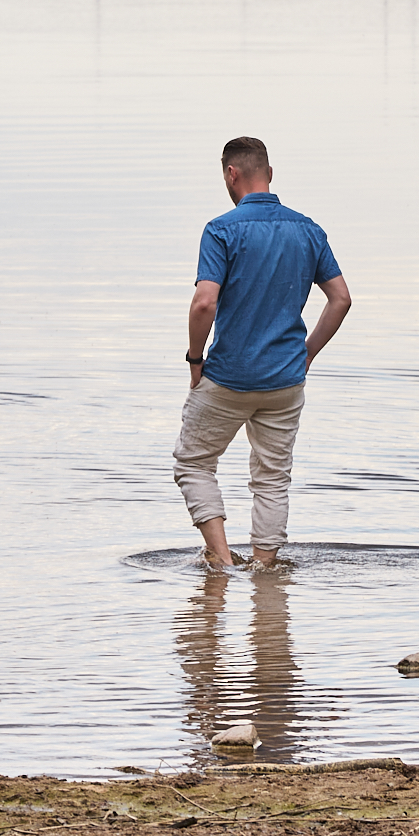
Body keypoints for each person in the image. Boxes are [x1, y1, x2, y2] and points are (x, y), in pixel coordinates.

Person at [174, 137, 352, 573]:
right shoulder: (309, 230)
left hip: (229, 377)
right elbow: (341, 299)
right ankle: (265, 569)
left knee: (194, 463)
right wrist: (306, 355)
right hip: (285, 381)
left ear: (231, 174)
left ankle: (220, 559)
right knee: (272, 478)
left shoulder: (221, 230)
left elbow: (203, 303)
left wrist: (195, 361)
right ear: (269, 174)